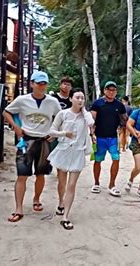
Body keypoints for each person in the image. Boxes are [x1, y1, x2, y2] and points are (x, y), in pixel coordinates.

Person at [3, 71, 61, 222]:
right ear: (32, 84)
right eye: (38, 83)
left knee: (41, 174)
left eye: (44, 83)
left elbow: (61, 118)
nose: (42, 86)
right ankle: (18, 208)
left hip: (44, 141)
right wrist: (16, 127)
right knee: (22, 175)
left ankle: (36, 199)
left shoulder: (52, 102)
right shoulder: (22, 100)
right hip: (27, 140)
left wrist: (54, 134)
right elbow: (6, 112)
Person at [47, 88, 94, 230]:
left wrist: (84, 110)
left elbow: (91, 123)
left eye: (82, 98)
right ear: (71, 99)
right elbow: (51, 131)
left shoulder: (86, 116)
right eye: (77, 97)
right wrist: (64, 134)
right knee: (62, 182)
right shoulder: (63, 114)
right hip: (63, 151)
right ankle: (61, 202)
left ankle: (65, 216)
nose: (80, 100)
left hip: (78, 153)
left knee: (72, 185)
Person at [90, 81, 127, 197]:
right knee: (98, 160)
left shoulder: (119, 105)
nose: (111, 92)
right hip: (100, 137)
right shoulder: (97, 103)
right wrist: (92, 135)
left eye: (114, 90)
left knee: (116, 159)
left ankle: (112, 184)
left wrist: (124, 131)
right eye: (109, 90)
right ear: (104, 90)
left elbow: (124, 120)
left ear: (116, 92)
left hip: (113, 138)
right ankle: (96, 183)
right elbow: (91, 120)